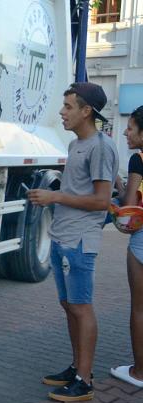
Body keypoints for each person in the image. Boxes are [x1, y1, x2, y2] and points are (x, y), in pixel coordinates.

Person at [29, 82, 117, 402]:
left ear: (86, 111)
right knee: (69, 306)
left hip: (80, 239)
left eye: (68, 107)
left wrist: (55, 196)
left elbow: (101, 201)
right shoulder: (76, 145)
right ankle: (76, 367)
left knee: (81, 307)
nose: (62, 112)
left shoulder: (101, 146)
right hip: (62, 236)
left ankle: (85, 379)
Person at [110, 105, 143, 388]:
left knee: (139, 308)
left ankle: (139, 372)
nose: (125, 131)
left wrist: (118, 184)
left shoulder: (139, 160)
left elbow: (130, 209)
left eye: (131, 127)